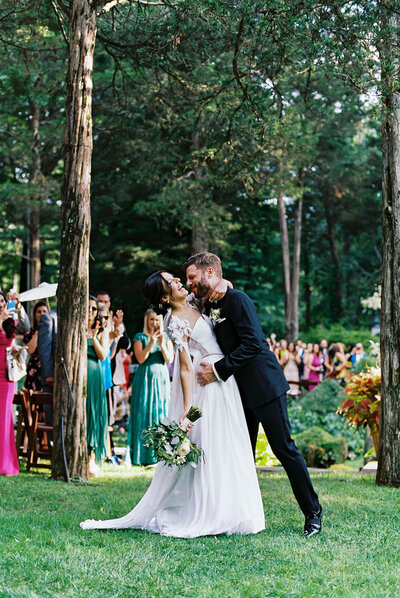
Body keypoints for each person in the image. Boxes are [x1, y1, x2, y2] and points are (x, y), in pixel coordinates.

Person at [80, 271, 265, 537]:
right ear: (165, 296)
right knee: (213, 444)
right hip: (207, 384)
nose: (180, 281)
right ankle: (211, 511)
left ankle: (235, 508)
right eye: (173, 281)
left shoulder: (192, 302)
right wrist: (189, 409)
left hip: (224, 380)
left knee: (229, 442)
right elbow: (185, 368)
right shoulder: (174, 320)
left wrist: (223, 284)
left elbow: (222, 288)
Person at [185, 252, 322, 537]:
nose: (189, 284)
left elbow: (254, 344)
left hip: (264, 386)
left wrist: (218, 370)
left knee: (284, 449)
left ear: (210, 272)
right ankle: (235, 516)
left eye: (192, 277)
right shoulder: (213, 303)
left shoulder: (238, 300)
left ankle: (313, 512)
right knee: (239, 453)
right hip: (237, 395)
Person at [126, 309, 174, 466]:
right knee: (143, 411)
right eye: (152, 320)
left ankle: (159, 454)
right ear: (147, 320)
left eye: (157, 320)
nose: (155, 323)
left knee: (161, 411)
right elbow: (140, 359)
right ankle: (142, 455)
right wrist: (152, 342)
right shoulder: (140, 337)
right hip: (144, 378)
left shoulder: (166, 337)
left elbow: (169, 359)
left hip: (161, 378)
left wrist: (161, 343)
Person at [86, 296, 109, 475]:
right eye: (88, 308)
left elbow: (103, 355)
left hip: (94, 373)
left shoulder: (102, 330)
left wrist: (93, 337)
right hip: (79, 374)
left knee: (93, 414)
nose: (91, 312)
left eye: (94, 309)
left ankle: (91, 458)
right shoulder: (76, 328)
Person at [0, 293, 19, 476]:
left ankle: (5, 463)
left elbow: (13, 341)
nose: (0, 304)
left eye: (1, 301)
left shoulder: (10, 323)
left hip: (6, 377)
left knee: (5, 417)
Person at [23, 301, 48, 391]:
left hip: (48, 370)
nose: (42, 314)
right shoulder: (30, 333)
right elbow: (30, 350)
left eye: (44, 311)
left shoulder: (53, 332)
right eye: (39, 311)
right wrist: (38, 330)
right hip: (34, 371)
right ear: (34, 315)